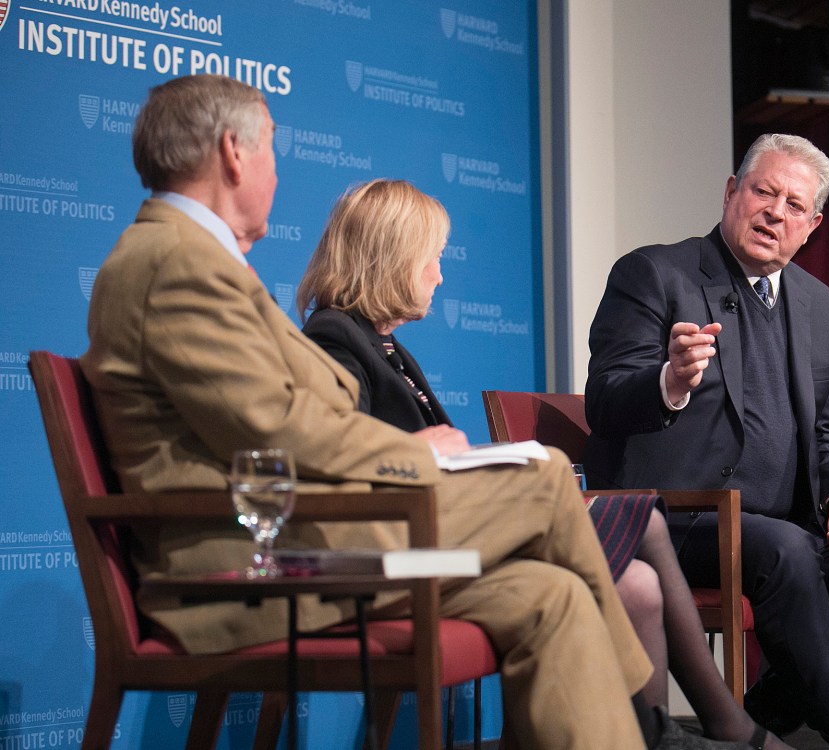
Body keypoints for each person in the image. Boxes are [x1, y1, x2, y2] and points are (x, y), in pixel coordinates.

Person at [78, 73, 734, 750]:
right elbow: (280, 431)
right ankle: (648, 725)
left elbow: (286, 416)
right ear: (233, 153)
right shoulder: (174, 265)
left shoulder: (195, 262)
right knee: (541, 479)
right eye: (273, 149)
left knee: (551, 596)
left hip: (301, 544)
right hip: (253, 568)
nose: (278, 171)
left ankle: (639, 728)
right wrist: (420, 454)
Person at [296, 178, 781, 750]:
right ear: (391, 259)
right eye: (432, 258)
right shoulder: (335, 344)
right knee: (640, 519)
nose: (439, 275)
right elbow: (350, 468)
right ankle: (680, 728)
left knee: (642, 582)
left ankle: (656, 730)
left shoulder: (383, 346)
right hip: (409, 543)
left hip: (444, 527)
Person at [584, 133, 829, 750]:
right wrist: (668, 381)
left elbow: (826, 430)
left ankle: (762, 714)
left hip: (790, 523)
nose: (776, 211)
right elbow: (605, 401)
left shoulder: (822, 306)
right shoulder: (655, 273)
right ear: (732, 193)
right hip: (680, 521)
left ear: (812, 225)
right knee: (786, 552)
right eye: (764, 192)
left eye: (794, 204)